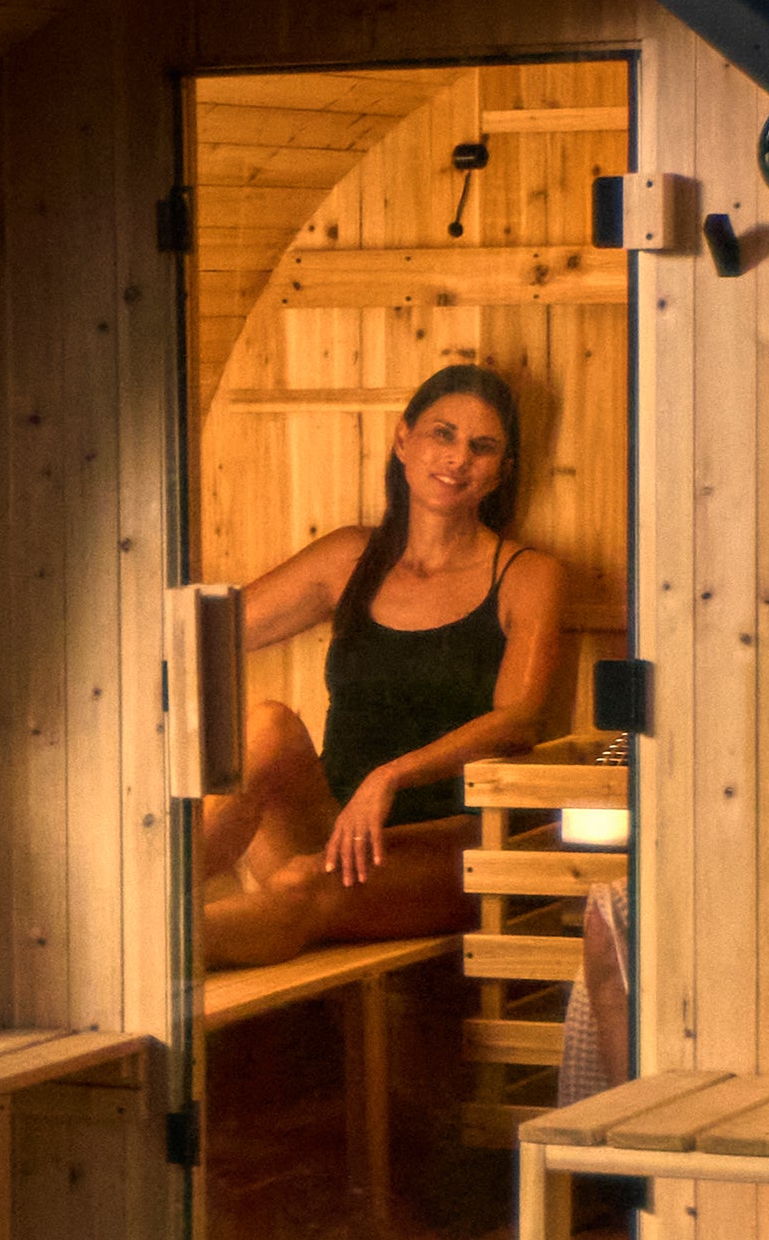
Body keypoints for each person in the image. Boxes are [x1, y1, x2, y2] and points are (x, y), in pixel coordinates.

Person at [202, 363, 565, 970]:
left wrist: (391, 776)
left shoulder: (527, 576)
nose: (456, 459)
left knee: (303, 882)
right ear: (404, 440)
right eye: (442, 434)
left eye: (482, 447)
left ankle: (137, 957)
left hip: (450, 842)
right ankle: (150, 902)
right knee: (266, 725)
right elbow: (208, 636)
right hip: (334, 823)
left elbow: (517, 720)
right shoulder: (350, 557)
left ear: (501, 470)